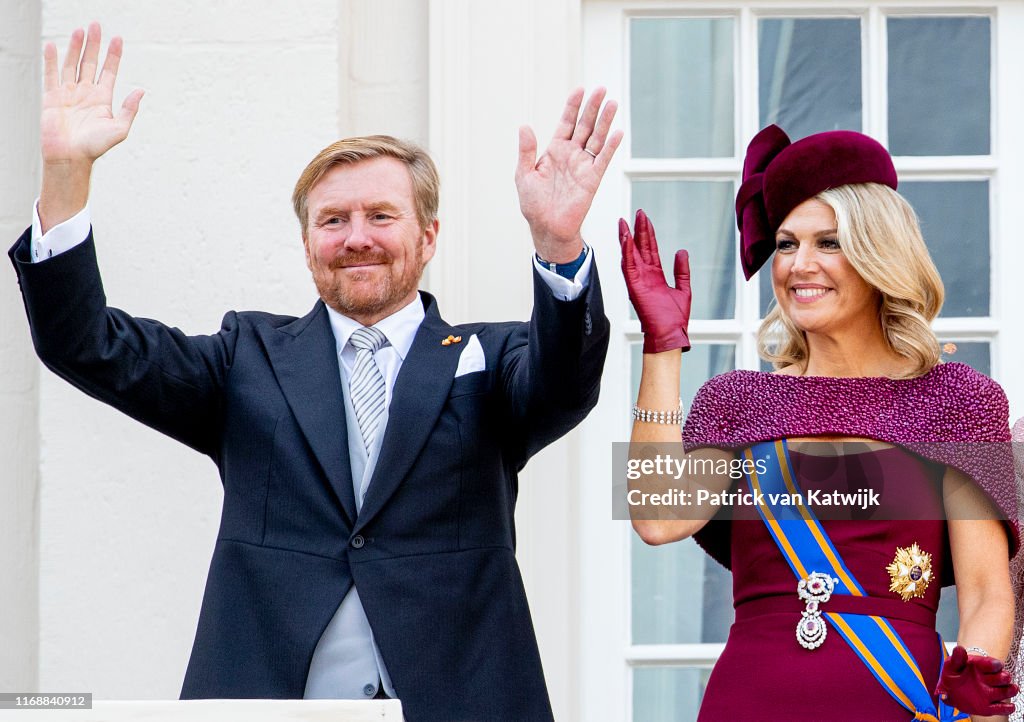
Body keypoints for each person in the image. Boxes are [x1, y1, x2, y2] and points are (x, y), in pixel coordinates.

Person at [9, 23, 620, 721]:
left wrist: (558, 242)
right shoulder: (247, 356)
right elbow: (85, 344)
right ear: (307, 245)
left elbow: (565, 381)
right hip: (273, 704)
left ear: (428, 237)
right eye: (334, 220)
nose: (356, 236)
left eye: (381, 215)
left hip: (461, 700)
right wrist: (65, 178)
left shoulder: (491, 357)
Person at [620, 124, 1020, 720]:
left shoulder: (959, 402)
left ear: (879, 252)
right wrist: (662, 347)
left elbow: (989, 593)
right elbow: (656, 519)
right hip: (748, 699)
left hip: (897, 699)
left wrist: (970, 703)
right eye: (785, 244)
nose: (799, 265)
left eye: (827, 242)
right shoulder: (739, 399)